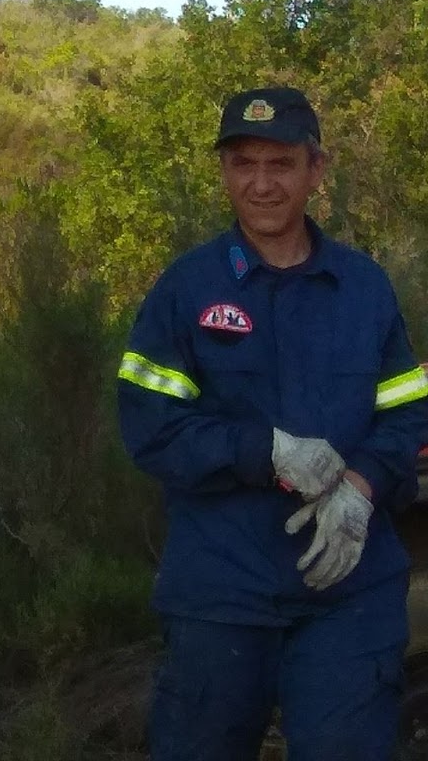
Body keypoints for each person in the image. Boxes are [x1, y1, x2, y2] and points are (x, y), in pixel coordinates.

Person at [118, 86, 428, 760]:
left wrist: (363, 488)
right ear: (225, 172)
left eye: (280, 165)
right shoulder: (187, 289)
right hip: (220, 592)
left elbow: (407, 414)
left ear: (316, 169)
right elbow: (151, 427)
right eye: (243, 164)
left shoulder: (365, 288)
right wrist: (268, 450)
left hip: (349, 593)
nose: (260, 185)